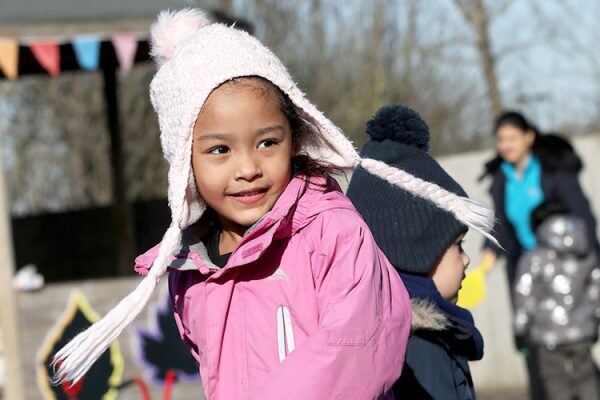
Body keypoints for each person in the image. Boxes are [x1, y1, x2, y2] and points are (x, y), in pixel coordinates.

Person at [53, 9, 495, 399]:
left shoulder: (332, 232)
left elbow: (360, 349)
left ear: (296, 136)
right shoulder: (192, 268)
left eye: (267, 142)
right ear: (184, 162)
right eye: (219, 150)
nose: (248, 167)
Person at [347, 105, 491, 399]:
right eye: (457, 245)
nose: (466, 259)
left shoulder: (409, 336)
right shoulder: (420, 348)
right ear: (414, 251)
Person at [478, 110, 600, 399]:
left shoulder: (552, 170)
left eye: (512, 138)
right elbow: (501, 227)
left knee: (576, 351)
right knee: (535, 352)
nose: (506, 145)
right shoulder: (501, 179)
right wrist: (488, 254)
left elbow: (583, 218)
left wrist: (591, 265)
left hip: (564, 275)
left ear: (529, 137)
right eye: (501, 140)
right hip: (526, 275)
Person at [513, 201, 600, 400]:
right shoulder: (586, 254)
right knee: (587, 378)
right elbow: (596, 289)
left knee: (555, 382)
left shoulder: (533, 259)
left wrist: (520, 330)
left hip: (546, 335)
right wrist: (595, 318)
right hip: (582, 332)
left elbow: (524, 297)